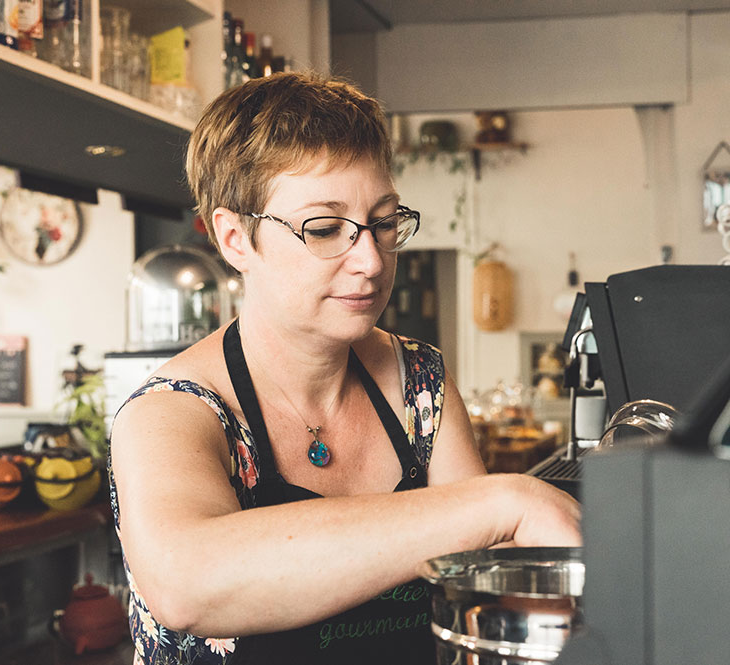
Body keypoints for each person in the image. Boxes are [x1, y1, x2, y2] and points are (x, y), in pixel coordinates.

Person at [108, 71, 581, 665]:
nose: (370, 259)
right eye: (325, 228)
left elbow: (472, 594)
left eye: (383, 222)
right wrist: (507, 502)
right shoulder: (171, 411)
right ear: (234, 239)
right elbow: (188, 584)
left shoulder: (419, 384)